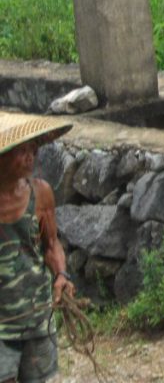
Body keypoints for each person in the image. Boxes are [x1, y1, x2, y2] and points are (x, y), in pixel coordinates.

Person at [0, 112, 76, 383]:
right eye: (22, 151)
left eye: (33, 150)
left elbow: (51, 244)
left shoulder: (41, 193)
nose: (30, 157)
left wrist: (61, 275)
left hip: (37, 317)